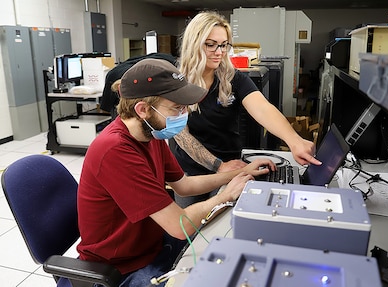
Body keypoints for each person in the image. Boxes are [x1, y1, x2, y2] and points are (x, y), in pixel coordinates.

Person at [76, 58, 275, 287]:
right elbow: (180, 226)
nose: (184, 114)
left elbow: (184, 185)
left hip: (152, 246)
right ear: (142, 110)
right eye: (176, 108)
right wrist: (225, 196)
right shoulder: (114, 151)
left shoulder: (151, 133)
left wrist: (236, 174)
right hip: (121, 268)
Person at [171, 11, 321, 207]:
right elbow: (182, 136)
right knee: (191, 229)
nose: (219, 52)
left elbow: (262, 108)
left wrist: (294, 141)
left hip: (230, 165)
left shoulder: (234, 78)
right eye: (211, 44)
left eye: (224, 45)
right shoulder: (176, 83)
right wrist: (218, 166)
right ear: (194, 44)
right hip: (192, 173)